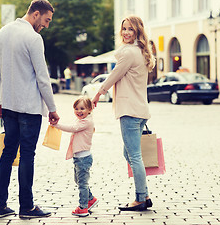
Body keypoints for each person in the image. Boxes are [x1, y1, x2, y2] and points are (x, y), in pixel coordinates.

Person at [0, 0, 60, 219]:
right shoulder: (33, 38)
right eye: (47, 20)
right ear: (36, 13)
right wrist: (52, 108)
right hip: (29, 108)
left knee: (8, 153)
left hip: (9, 107)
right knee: (27, 156)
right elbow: (42, 78)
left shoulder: (2, 33)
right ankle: (27, 207)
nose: (46, 25)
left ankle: (0, 206)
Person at [91, 15, 155, 211]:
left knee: (134, 156)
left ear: (137, 32)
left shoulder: (128, 53)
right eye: (124, 29)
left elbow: (113, 76)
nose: (126, 32)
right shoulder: (140, 52)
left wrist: (97, 95)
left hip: (130, 111)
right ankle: (144, 193)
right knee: (129, 154)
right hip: (140, 109)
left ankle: (140, 198)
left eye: (130, 29)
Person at [52, 96, 98, 217]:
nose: (79, 111)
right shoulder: (82, 120)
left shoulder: (86, 121)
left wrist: (57, 125)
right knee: (78, 181)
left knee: (82, 184)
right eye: (76, 108)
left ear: (89, 109)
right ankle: (91, 199)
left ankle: (83, 207)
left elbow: (72, 128)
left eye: (82, 108)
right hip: (79, 158)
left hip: (83, 158)